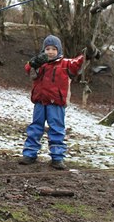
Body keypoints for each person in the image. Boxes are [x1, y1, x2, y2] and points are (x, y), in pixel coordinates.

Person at [19, 35, 98, 170]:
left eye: (53, 49)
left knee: (56, 129)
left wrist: (87, 55)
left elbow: (78, 63)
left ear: (59, 50)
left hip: (56, 103)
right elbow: (28, 69)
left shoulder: (65, 64)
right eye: (47, 49)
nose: (50, 52)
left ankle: (57, 157)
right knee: (35, 128)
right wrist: (34, 62)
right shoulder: (40, 64)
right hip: (40, 101)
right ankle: (30, 154)